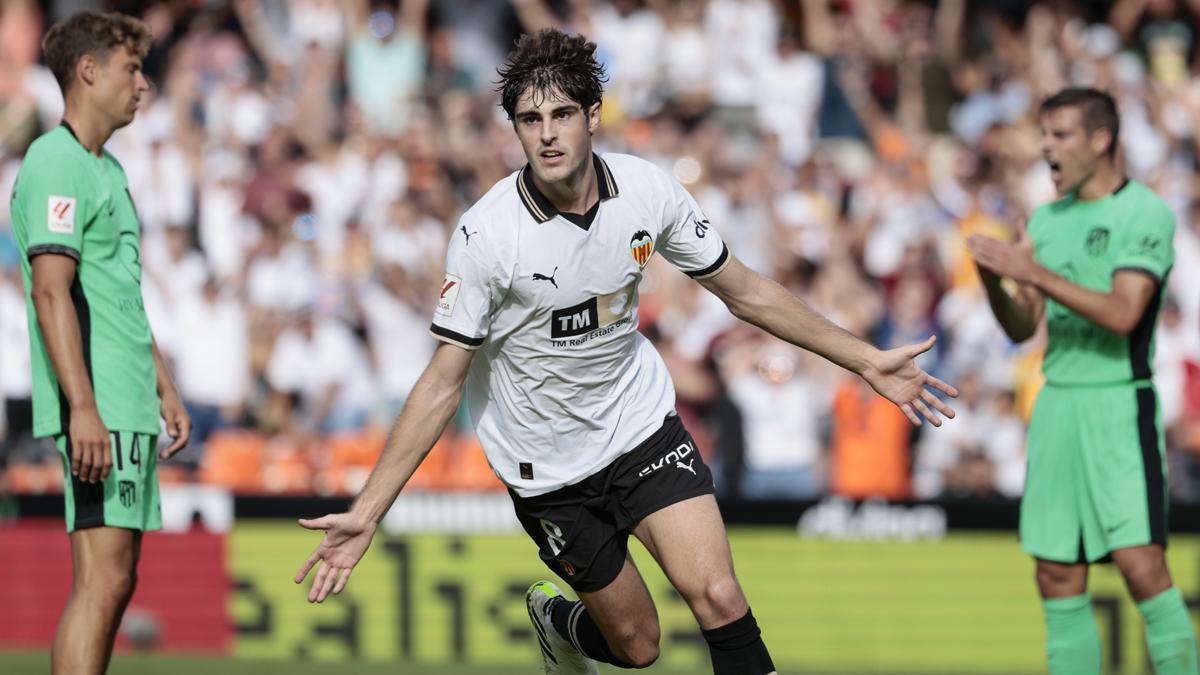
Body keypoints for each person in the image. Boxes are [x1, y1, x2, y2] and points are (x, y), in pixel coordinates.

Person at [295, 29, 956, 675]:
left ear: (592, 116)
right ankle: (558, 623)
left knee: (720, 594)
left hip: (640, 428)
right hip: (548, 469)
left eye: (561, 114)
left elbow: (746, 291)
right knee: (640, 644)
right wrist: (367, 510)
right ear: (516, 130)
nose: (547, 133)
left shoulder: (648, 193)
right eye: (530, 119)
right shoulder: (487, 236)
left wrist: (864, 358)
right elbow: (442, 383)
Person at [968, 87, 1198, 675]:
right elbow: (1024, 327)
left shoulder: (1143, 213)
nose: (1047, 147)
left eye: (1061, 134)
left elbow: (1124, 314)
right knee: (1055, 572)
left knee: (1141, 566)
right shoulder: (1045, 220)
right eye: (1044, 134)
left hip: (1119, 406)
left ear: (1101, 140)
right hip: (1056, 407)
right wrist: (998, 282)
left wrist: (1032, 270)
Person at [8, 12, 191, 675]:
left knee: (117, 579)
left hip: (125, 398)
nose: (141, 84)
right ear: (88, 71)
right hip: (98, 404)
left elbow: (119, 292)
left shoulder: (106, 169)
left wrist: (162, 381)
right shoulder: (55, 161)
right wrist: (82, 406)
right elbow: (52, 292)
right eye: (131, 68)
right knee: (101, 579)